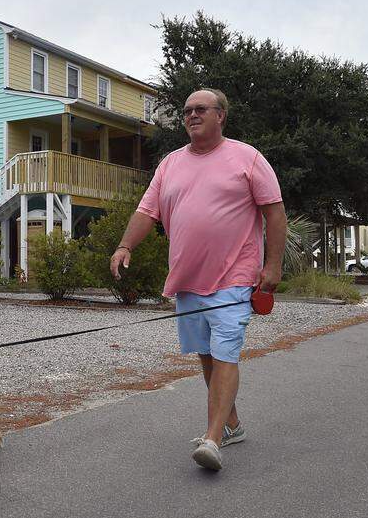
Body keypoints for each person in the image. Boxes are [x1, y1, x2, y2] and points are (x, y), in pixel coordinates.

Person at [110, 88, 286, 471]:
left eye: (200, 109)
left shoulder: (248, 158)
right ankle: (232, 423)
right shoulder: (171, 164)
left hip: (235, 277)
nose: (192, 115)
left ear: (220, 115)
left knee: (224, 353)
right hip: (187, 279)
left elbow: (274, 213)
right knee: (206, 355)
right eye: (187, 110)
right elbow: (146, 211)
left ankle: (212, 438)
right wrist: (125, 246)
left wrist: (272, 267)